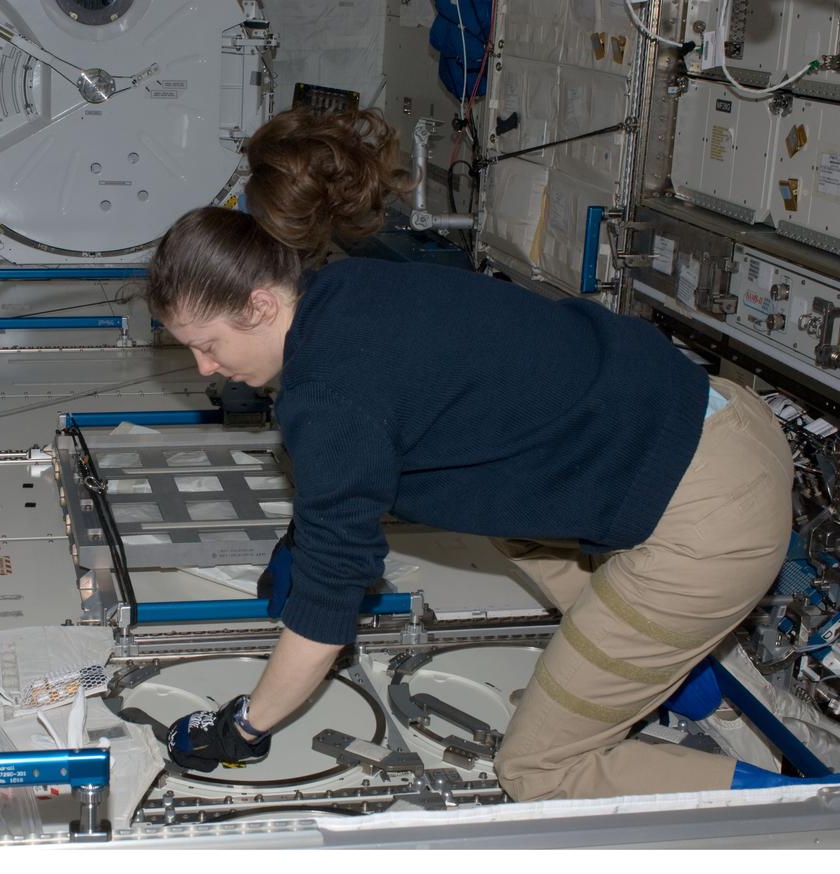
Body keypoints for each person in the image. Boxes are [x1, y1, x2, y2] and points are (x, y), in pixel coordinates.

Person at [154, 107, 801, 800]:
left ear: (258, 306)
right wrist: (307, 535)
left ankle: (802, 811)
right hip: (718, 421)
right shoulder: (347, 288)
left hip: (705, 521)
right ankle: (687, 687)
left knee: (538, 772)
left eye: (208, 344)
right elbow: (368, 454)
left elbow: (329, 602)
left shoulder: (327, 392)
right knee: (501, 519)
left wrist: (245, 725)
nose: (205, 368)